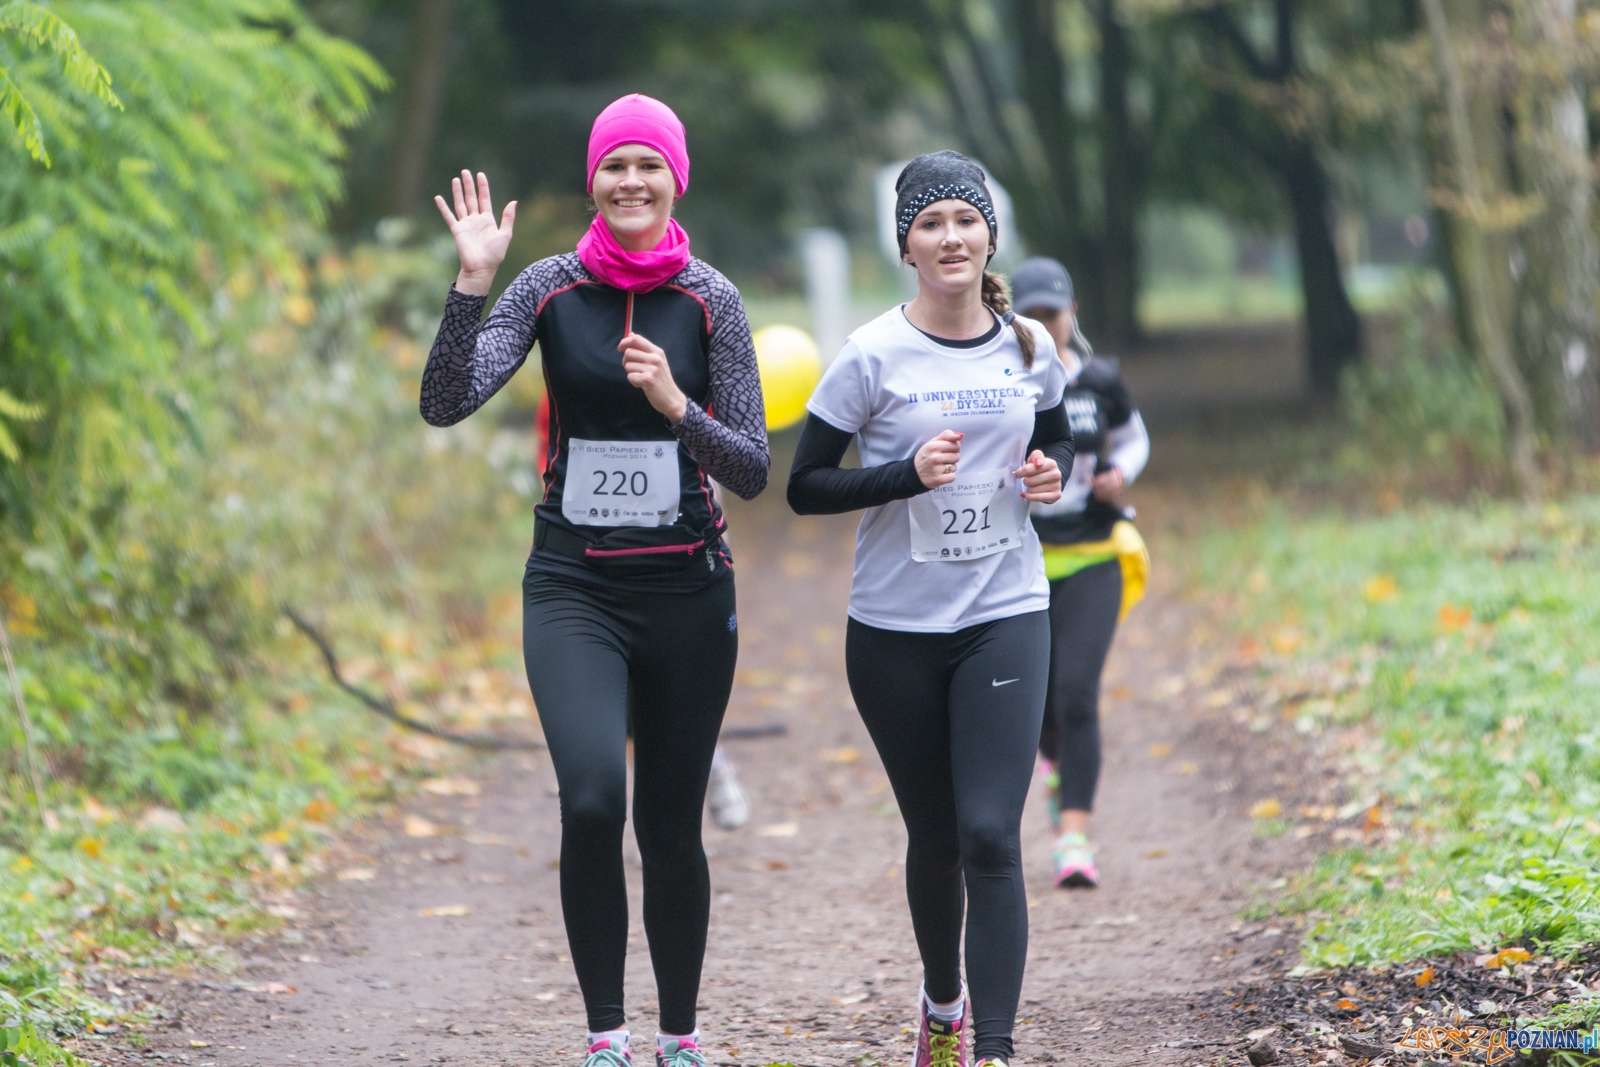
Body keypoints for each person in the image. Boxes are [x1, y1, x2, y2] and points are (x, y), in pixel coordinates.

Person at [420, 94, 768, 1067]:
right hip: (574, 585)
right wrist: (469, 285)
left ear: (675, 178)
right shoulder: (545, 286)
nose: (630, 181)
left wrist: (673, 403)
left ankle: (681, 1035)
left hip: (689, 590)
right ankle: (606, 1035)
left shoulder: (713, 298)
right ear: (592, 180)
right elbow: (445, 400)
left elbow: (749, 465)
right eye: (613, 165)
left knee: (669, 821)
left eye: (647, 165)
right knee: (588, 799)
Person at [788, 152, 1073, 1067]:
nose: (950, 237)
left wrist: (1047, 475)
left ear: (989, 234)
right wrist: (902, 476)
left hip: (1005, 611)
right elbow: (804, 486)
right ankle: (942, 1001)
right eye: (930, 223)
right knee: (938, 837)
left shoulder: (1031, 345)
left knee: (991, 831)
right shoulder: (872, 354)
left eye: (965, 219)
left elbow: (1056, 437)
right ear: (906, 245)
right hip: (895, 633)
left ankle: (991, 1049)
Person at [534, 392, 751, 831]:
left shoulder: (688, 336)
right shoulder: (572, 348)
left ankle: (709, 761)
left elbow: (733, 445)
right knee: (617, 689)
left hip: (681, 538)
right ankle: (634, 789)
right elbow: (550, 441)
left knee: (674, 688)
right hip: (592, 549)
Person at [1011, 257, 1150, 890]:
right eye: (1031, 313)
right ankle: (1054, 766)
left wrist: (1119, 474)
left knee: (1076, 692)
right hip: (1022, 558)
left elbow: (1133, 439)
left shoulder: (1098, 379)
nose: (1044, 323)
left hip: (1095, 554)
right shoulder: (999, 379)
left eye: (1053, 313)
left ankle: (1074, 839)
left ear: (1072, 315)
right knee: (1036, 703)